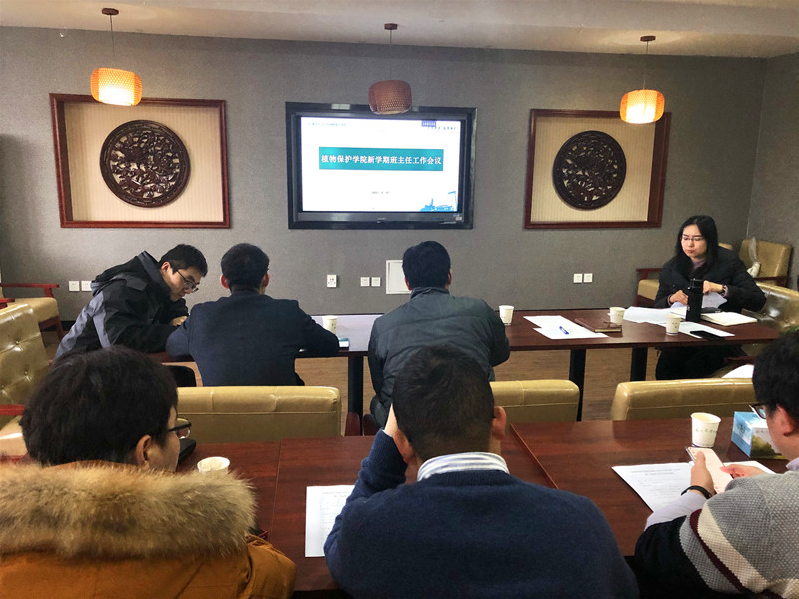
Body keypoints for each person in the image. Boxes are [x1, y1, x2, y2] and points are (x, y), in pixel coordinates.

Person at [325, 345, 639, 598]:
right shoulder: (582, 523)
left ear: (402, 445)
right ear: (499, 421)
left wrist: (386, 454)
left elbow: (337, 545)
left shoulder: (372, 530)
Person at [0, 347, 295, 598]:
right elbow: (278, 574)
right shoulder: (218, 560)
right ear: (145, 452)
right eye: (175, 429)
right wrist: (231, 521)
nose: (179, 439)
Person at [635, 331, 799, 598]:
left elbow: (653, 551)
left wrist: (697, 492)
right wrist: (773, 483)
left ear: (784, 419)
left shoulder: (763, 506)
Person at [368, 240, 510, 427]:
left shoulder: (382, 325)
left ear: (407, 283)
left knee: (376, 403)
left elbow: (380, 384)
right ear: (449, 276)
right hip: (470, 420)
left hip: (409, 426)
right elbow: (500, 354)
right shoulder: (481, 310)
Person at [166, 243, 338, 386]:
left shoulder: (200, 316)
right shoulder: (289, 311)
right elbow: (330, 345)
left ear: (224, 281)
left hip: (221, 415)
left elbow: (173, 348)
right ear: (266, 279)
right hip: (281, 415)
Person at [654, 215, 765, 379]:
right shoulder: (673, 266)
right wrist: (671, 299)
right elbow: (657, 305)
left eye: (697, 239)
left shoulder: (729, 262)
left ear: (709, 240)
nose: (689, 244)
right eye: (685, 238)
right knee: (665, 368)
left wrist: (721, 288)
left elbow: (758, 300)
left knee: (691, 369)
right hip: (684, 332)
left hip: (720, 337)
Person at [55, 244, 208, 358]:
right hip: (76, 370)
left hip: (107, 365)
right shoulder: (121, 289)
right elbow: (120, 342)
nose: (188, 290)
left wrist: (179, 317)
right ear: (166, 267)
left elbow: (173, 304)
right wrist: (179, 332)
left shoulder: (159, 287)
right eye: (187, 282)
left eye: (193, 286)